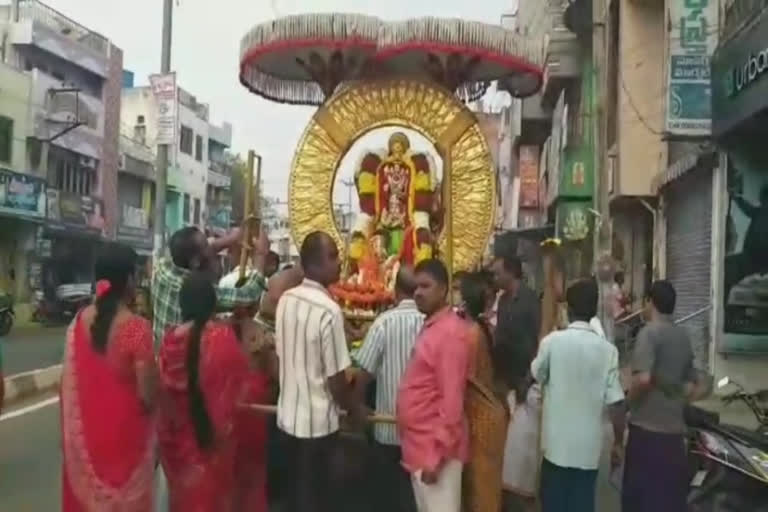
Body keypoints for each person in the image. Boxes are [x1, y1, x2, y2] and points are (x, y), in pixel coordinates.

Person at [60, 242, 157, 511]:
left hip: (88, 442)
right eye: (136, 275)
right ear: (128, 280)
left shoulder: (78, 321)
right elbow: (148, 396)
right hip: (126, 447)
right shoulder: (136, 328)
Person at [274, 231, 362, 512]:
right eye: (333, 256)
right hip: (318, 429)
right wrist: (355, 409)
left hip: (286, 421)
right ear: (314, 264)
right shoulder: (329, 311)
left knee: (293, 501)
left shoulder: (285, 299)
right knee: (316, 502)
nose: (339, 262)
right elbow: (337, 380)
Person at [157, 273, 250, 511]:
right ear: (213, 304)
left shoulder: (168, 341)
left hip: (176, 449)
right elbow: (241, 387)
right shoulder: (222, 337)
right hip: (213, 445)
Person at [531, 279, 626, 512]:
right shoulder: (608, 351)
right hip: (588, 452)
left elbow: (536, 373)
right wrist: (618, 442)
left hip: (555, 449)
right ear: (594, 310)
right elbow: (617, 403)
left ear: (568, 309)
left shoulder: (552, 343)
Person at [623, 280, 708, 512]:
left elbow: (642, 379)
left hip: (646, 437)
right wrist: (677, 401)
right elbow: (696, 385)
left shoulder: (649, 333)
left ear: (650, 302)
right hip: (674, 438)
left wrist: (628, 403)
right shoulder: (682, 336)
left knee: (640, 503)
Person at [397, 258, 471, 512]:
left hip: (436, 454)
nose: (418, 293)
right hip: (421, 448)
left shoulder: (450, 333)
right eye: (416, 287)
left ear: (444, 290)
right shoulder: (433, 327)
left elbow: (452, 403)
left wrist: (435, 458)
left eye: (426, 286)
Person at [354, 266, 423, 512]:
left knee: (387, 498)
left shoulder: (384, 322)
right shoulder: (432, 322)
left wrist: (358, 407)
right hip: (422, 432)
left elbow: (363, 372)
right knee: (415, 499)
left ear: (395, 291)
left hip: (387, 429)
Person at [151, 226, 268, 347]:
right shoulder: (196, 290)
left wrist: (232, 239)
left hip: (161, 355)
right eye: (206, 244)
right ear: (195, 263)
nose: (212, 246)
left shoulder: (163, 267)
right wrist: (261, 254)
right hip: (183, 360)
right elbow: (248, 295)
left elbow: (203, 254)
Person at [459, 272, 508, 512]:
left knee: (481, 495)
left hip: (481, 420)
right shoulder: (476, 329)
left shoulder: (470, 335)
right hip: (485, 417)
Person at [491, 253, 541, 390]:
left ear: (510, 272)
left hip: (524, 371)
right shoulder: (502, 300)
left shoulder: (530, 298)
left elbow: (538, 334)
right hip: (505, 373)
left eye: (497, 274)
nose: (495, 279)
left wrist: (530, 373)